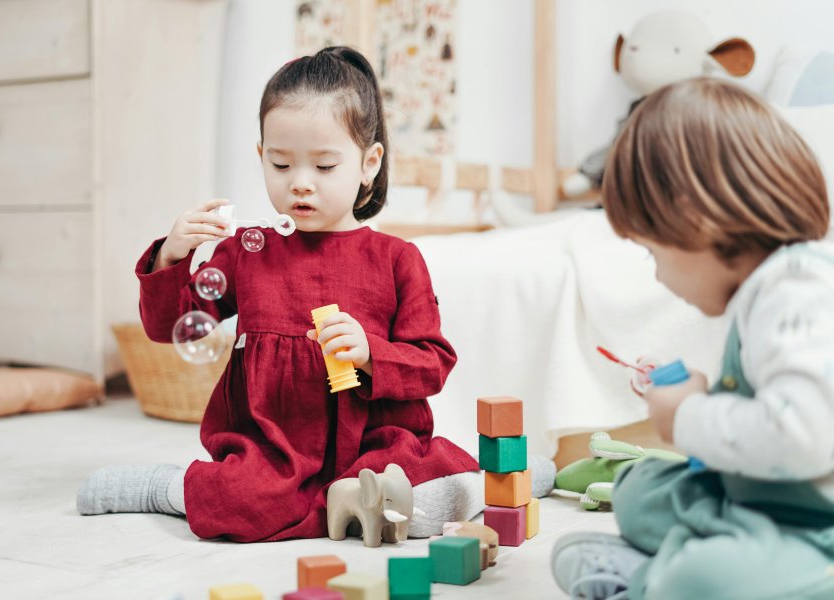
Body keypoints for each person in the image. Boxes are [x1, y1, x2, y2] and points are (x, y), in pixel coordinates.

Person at [77, 46, 554, 542]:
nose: (300, 185)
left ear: (368, 163)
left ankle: (505, 479)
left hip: (376, 444)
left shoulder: (396, 258)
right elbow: (166, 326)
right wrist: (172, 257)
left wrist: (372, 355)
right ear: (262, 156)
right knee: (242, 501)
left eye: (325, 167)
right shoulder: (247, 252)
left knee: (421, 491)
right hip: (275, 450)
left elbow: (432, 363)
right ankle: (167, 489)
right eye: (281, 165)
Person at [551, 78, 834, 598]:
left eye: (652, 252)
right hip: (764, 499)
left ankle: (653, 580)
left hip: (815, 528)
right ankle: (686, 549)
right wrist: (696, 392)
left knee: (702, 579)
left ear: (696, 222)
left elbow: (804, 438)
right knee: (639, 492)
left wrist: (687, 416)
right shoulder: (767, 289)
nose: (657, 275)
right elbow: (762, 402)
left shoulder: (796, 291)